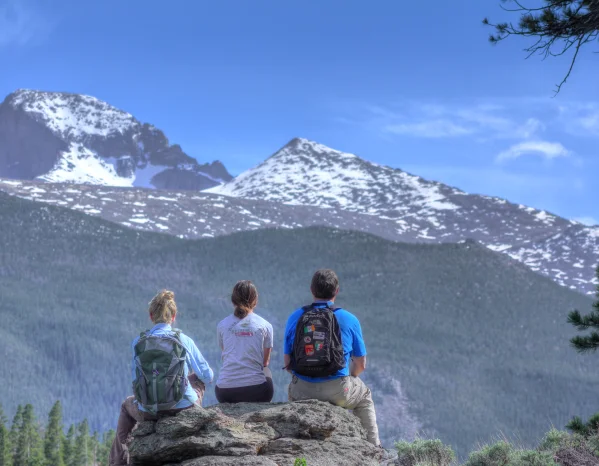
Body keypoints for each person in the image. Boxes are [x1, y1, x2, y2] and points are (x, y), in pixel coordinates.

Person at [109, 290, 214, 466]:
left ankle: (119, 461)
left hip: (149, 410)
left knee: (126, 405)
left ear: (151, 316)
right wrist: (188, 377)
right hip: (184, 407)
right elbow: (208, 376)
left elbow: (137, 379)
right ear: (173, 316)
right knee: (199, 378)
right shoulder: (183, 340)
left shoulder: (138, 342)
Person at [284, 269, 381, 446]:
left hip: (302, 391)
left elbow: (288, 364)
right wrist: (350, 376)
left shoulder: (296, 317)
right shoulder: (349, 319)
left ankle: (298, 439)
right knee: (365, 395)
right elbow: (361, 364)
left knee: (292, 387)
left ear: (312, 290)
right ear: (336, 291)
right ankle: (374, 448)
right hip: (338, 390)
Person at [215, 280, 274, 403]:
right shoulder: (265, 325)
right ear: (255, 300)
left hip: (224, 392)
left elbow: (225, 354)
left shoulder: (222, 325)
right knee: (266, 370)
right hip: (257, 392)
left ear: (233, 301)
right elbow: (265, 362)